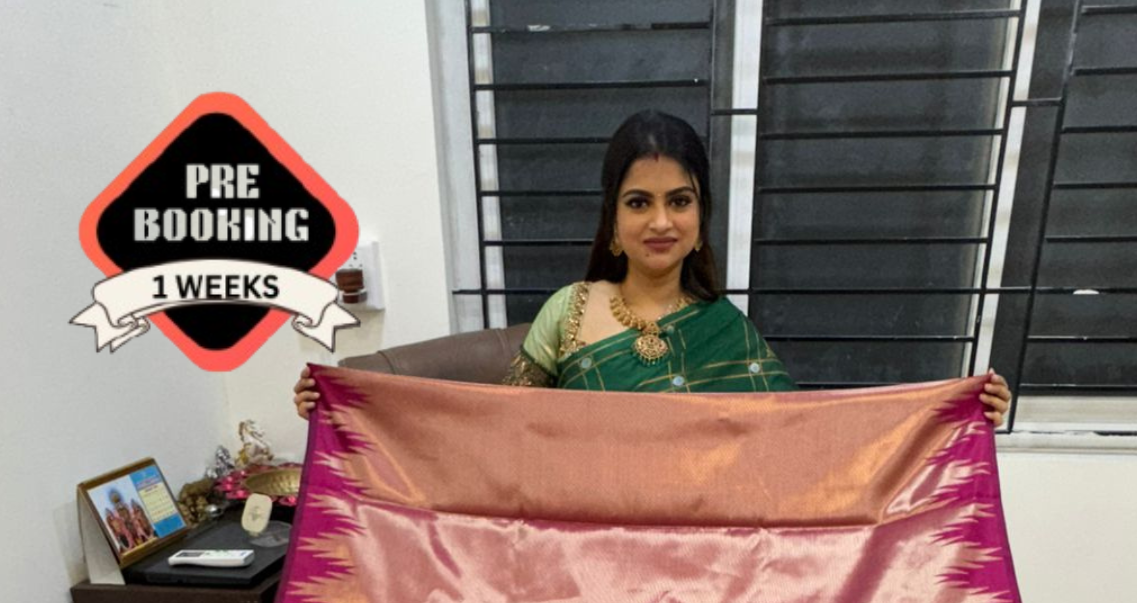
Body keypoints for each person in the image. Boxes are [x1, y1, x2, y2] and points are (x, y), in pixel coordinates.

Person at [294, 111, 1011, 423]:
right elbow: (496, 429)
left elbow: (805, 443)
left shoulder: (729, 331)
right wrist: (353, 404)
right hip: (584, 555)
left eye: (680, 201)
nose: (661, 221)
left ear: (701, 219)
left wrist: (947, 413)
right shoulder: (570, 310)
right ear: (612, 220)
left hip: (704, 563)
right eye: (639, 202)